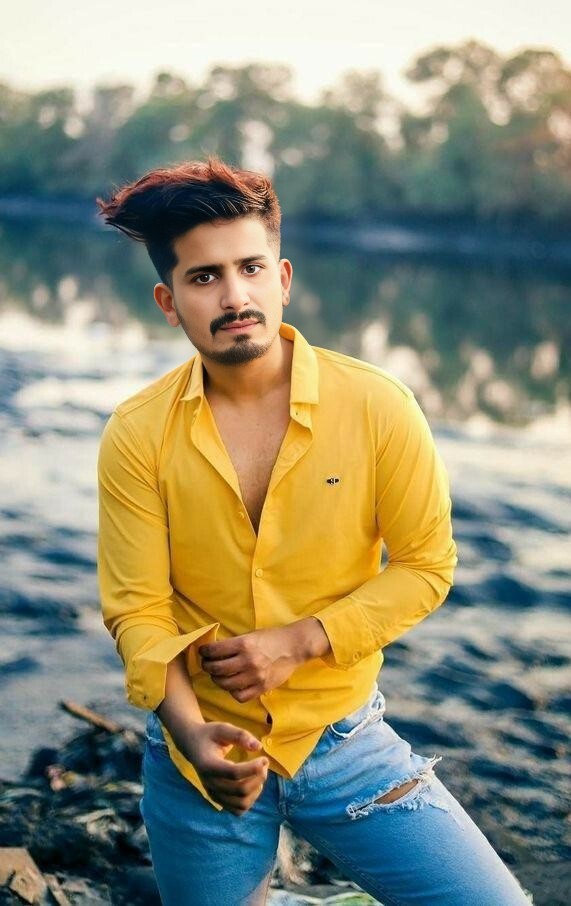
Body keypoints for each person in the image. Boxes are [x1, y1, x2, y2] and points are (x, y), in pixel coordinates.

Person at [96, 157, 532, 905]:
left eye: (250, 268)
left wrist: (298, 642)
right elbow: (138, 609)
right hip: (201, 755)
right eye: (204, 278)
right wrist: (191, 735)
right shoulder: (138, 434)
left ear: (283, 278)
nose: (235, 296)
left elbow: (426, 565)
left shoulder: (377, 406)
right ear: (169, 301)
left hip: (346, 743)